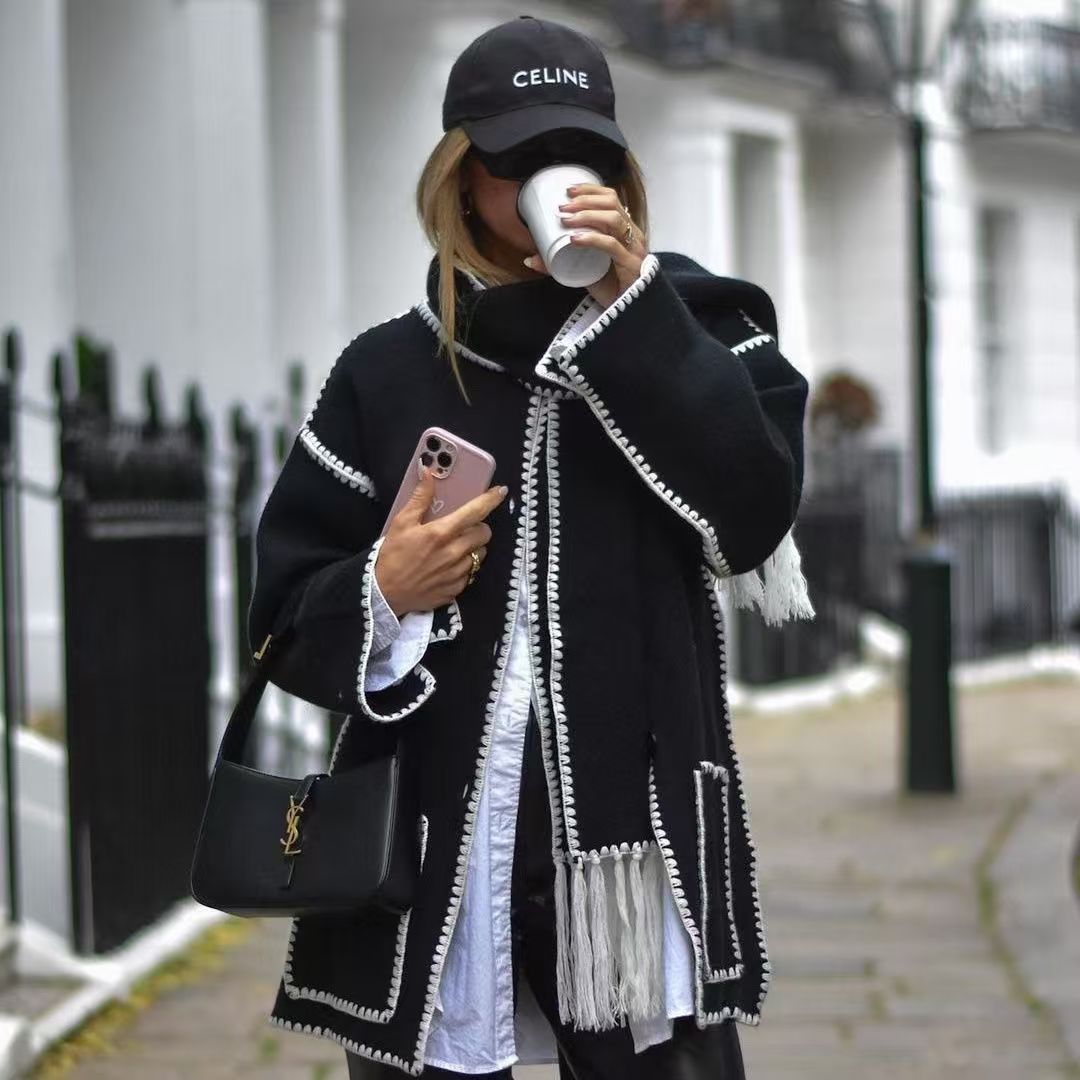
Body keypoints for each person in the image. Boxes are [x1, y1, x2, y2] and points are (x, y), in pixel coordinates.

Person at [247, 14, 814, 1079]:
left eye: (583, 154)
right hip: (438, 854)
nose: (556, 180)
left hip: (633, 854)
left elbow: (754, 513)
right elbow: (280, 620)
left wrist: (634, 312)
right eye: (520, 160)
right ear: (462, 181)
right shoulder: (385, 371)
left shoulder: (702, 329)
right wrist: (383, 589)